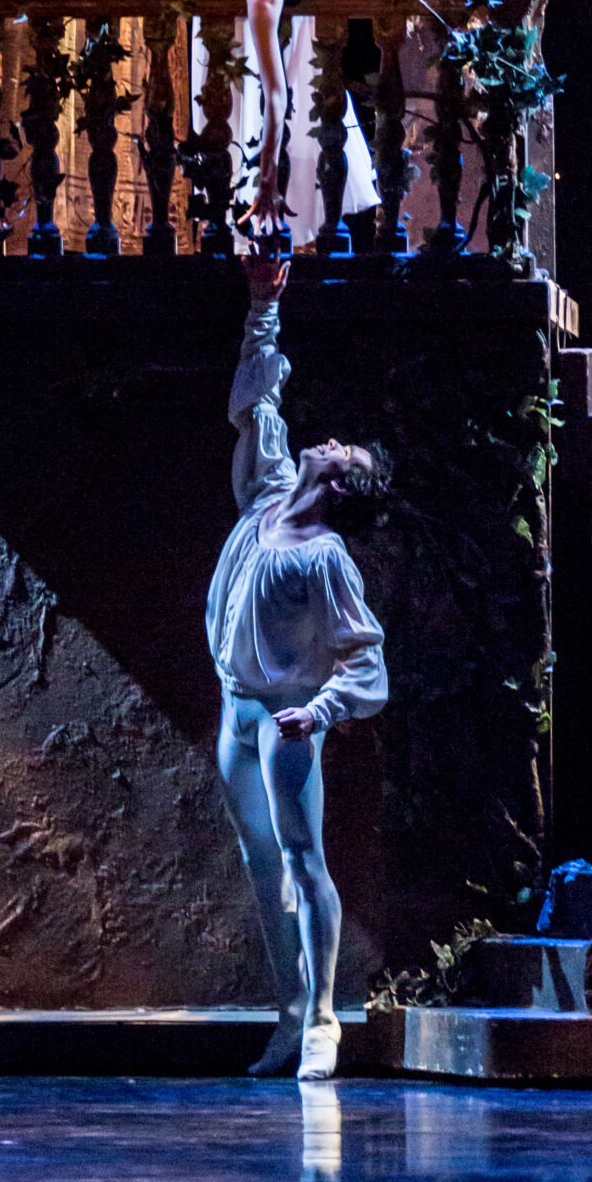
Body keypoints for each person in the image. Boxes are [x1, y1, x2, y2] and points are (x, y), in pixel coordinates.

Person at [207, 252, 390, 1080]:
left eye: (341, 447)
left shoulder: (325, 558)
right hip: (235, 712)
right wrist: (262, 305)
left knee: (305, 858)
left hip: (285, 724)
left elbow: (365, 657)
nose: (327, 440)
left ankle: (322, 1021)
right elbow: (258, 400)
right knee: (260, 863)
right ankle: (288, 1012)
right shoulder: (272, 492)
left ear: (342, 483)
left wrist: (316, 714)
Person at [196, 0, 380, 241]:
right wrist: (266, 181)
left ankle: (304, 220)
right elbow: (275, 94)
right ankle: (244, 221)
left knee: (308, 105)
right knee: (247, 108)